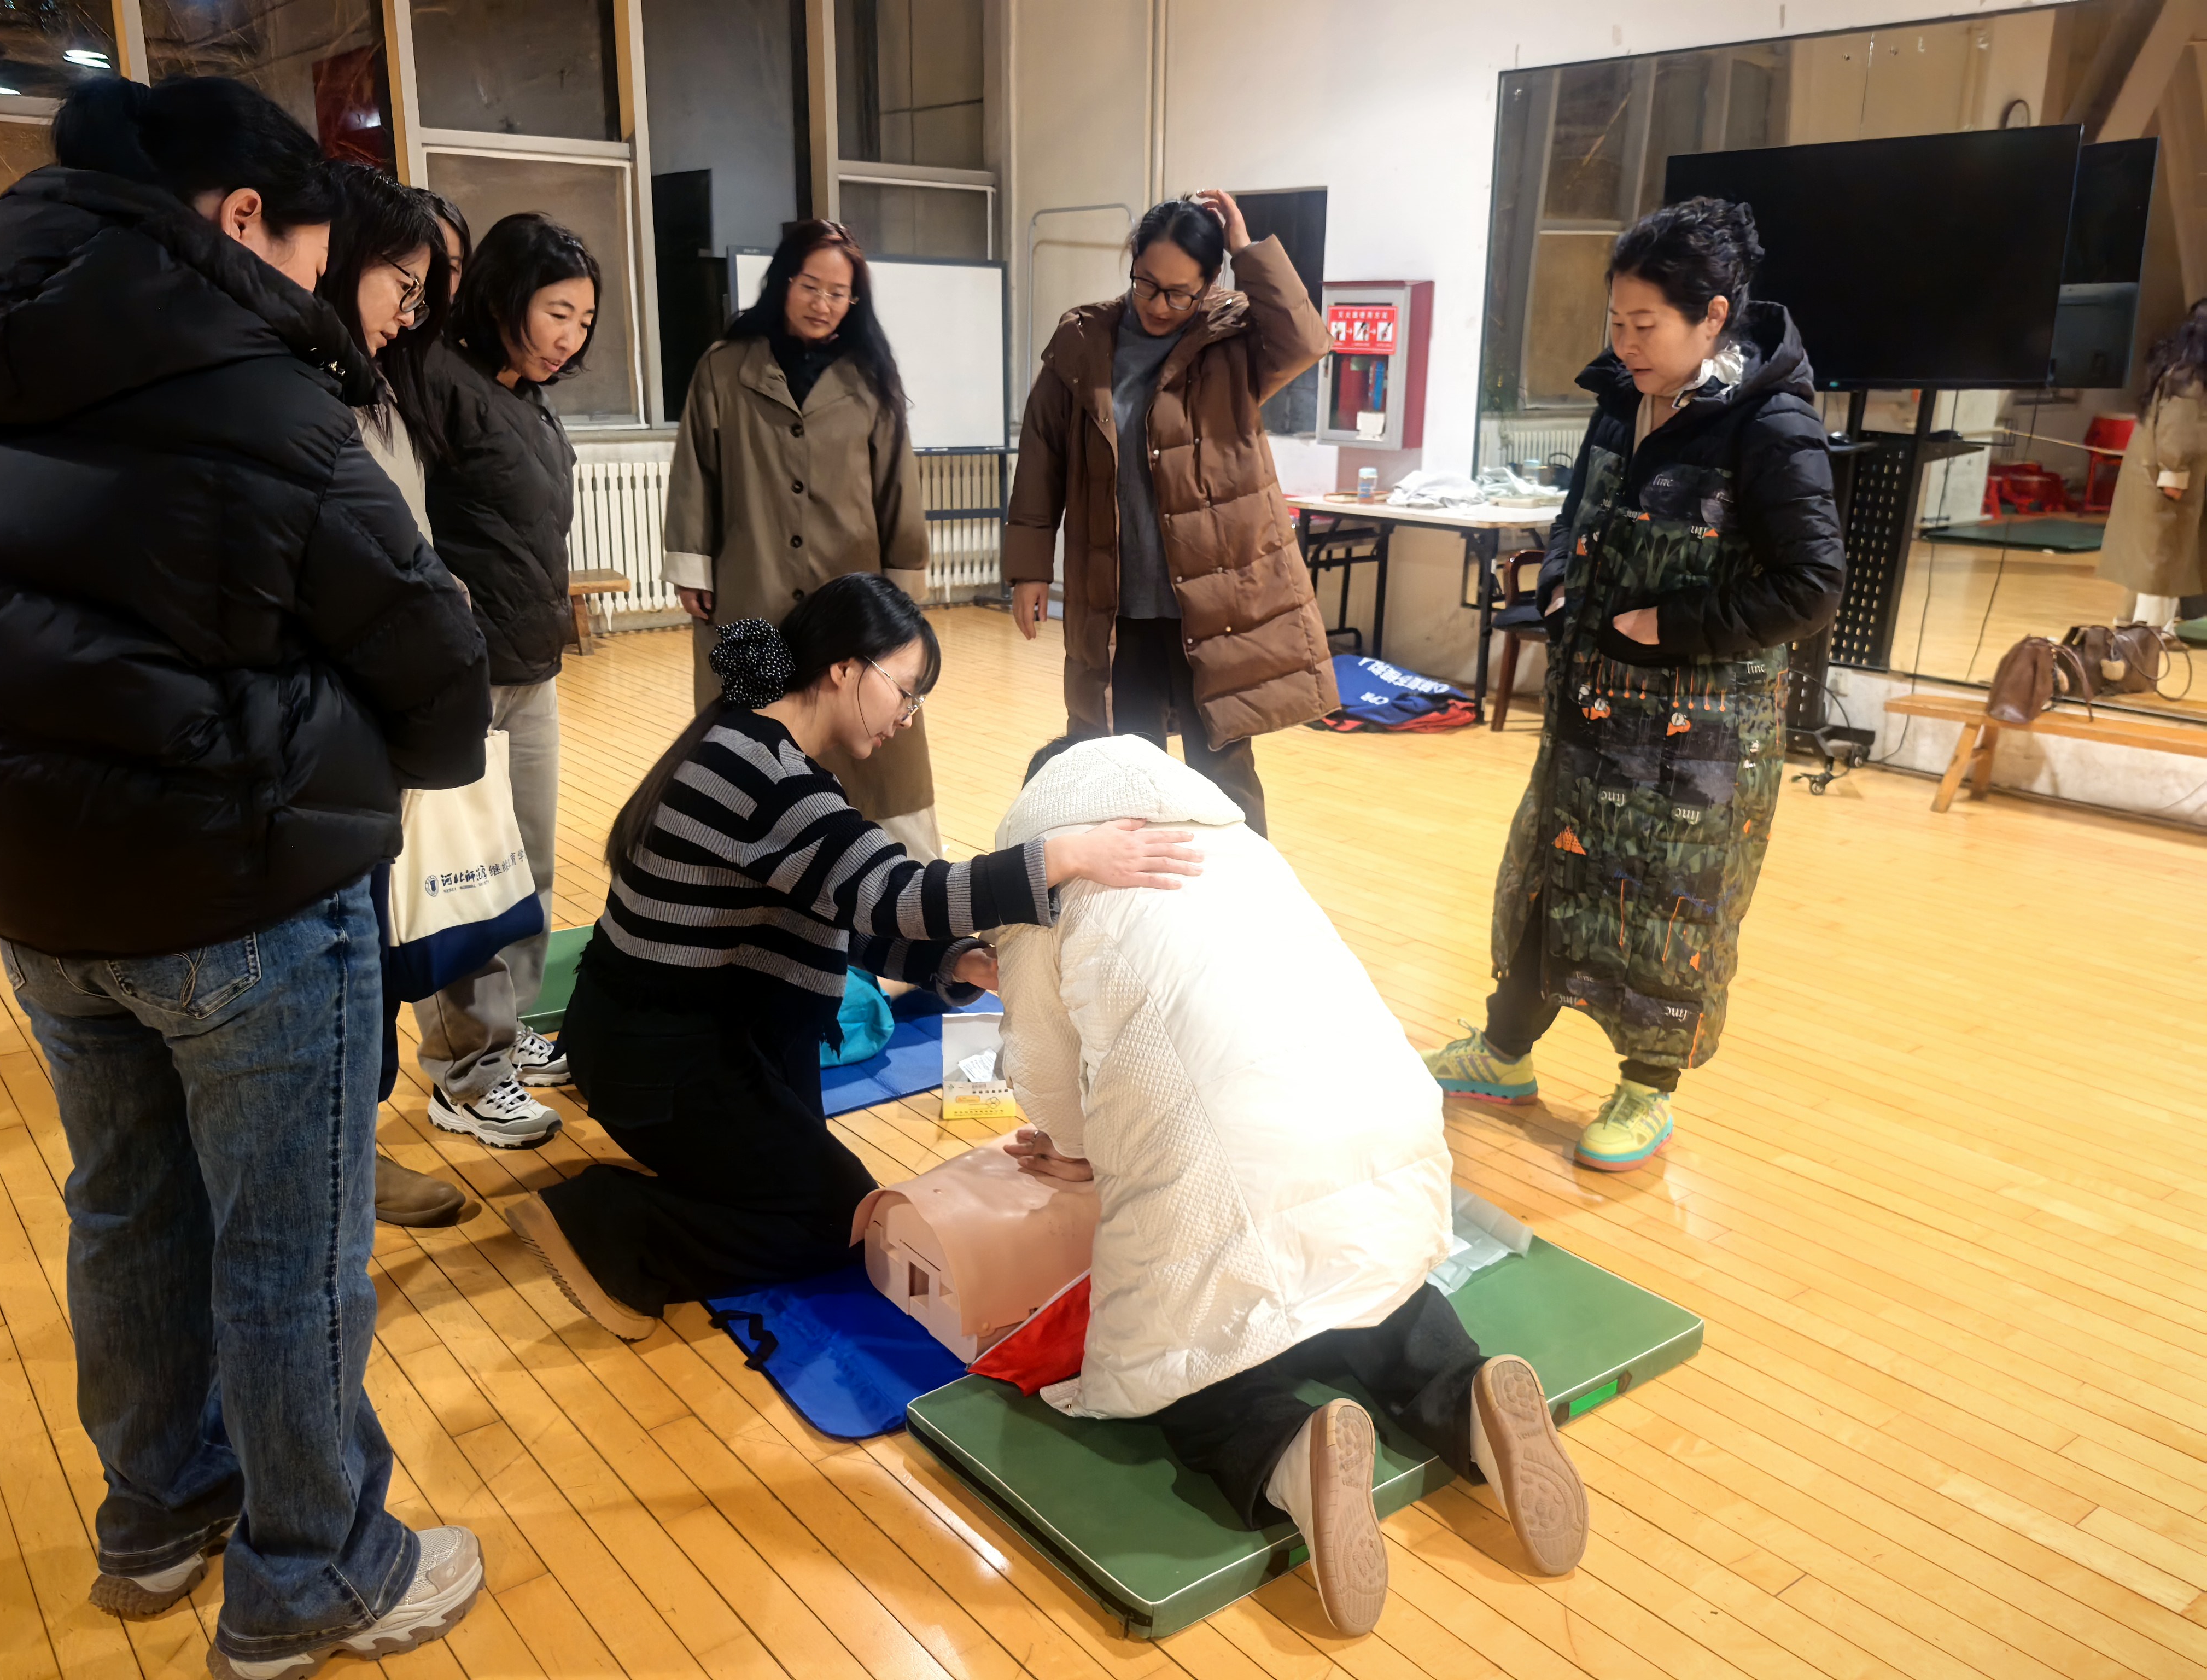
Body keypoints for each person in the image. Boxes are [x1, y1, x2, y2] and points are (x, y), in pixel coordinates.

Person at [0, 75, 490, 1675]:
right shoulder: (248, 385)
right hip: (243, 887)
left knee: (127, 1204)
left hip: (36, 883)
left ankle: (157, 1508)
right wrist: (369, 742)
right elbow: (432, 650)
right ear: (245, 216)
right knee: (286, 1242)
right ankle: (313, 1569)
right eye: (319, 260)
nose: (320, 295)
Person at [990, 734, 1589, 1638]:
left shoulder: (1044, 871)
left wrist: (1076, 1148)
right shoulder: (1231, 836)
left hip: (1229, 1157)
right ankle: (1469, 1396)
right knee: (1370, 1285)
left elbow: (1041, 1062)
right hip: (1388, 1112)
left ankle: (1289, 1451)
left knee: (1190, 1368)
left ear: (1042, 803)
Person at [501, 575, 1204, 1340]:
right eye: (905, 690)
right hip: (664, 1057)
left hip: (671, 1038)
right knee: (833, 1222)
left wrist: (953, 965)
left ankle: (697, 1175)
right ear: (844, 668)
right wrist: (1064, 856)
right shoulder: (767, 776)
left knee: (815, 1187)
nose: (907, 715)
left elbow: (833, 906)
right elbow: (894, 893)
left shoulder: (746, 743)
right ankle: (607, 1222)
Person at [1424, 197, 1844, 1171]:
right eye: (1616, 320)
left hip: (1699, 740)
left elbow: (1813, 584)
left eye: (1645, 324)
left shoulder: (1771, 423)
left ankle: (1648, 1089)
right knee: (1545, 879)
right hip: (1593, 708)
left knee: (1670, 906)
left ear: (1714, 315)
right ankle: (1503, 1051)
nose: (1625, 343)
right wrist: (1558, 576)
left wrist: (1678, 625)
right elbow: (1582, 509)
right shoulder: (1622, 397)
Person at [1003, 191, 1338, 836]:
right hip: (1118, 607)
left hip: (1213, 608)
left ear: (1209, 284)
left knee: (1225, 774)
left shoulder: (1232, 337)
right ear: (1132, 263)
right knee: (1127, 772)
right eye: (1146, 285)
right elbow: (1042, 454)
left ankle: (1243, 890)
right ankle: (1138, 893)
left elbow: (1304, 340)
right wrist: (1029, 569)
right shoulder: (1082, 340)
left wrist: (1245, 248)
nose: (1158, 306)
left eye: (1179, 293)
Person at [663, 218, 943, 860]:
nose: (822, 303)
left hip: (852, 600)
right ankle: (741, 867)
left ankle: (900, 878)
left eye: (837, 292)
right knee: (751, 738)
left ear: (854, 301)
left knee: (874, 744)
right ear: (784, 282)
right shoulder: (724, 368)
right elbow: (695, 472)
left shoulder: (871, 379)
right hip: (751, 589)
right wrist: (692, 565)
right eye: (810, 286)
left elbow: (898, 492)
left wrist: (903, 596)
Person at [412, 212, 600, 1150]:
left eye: (584, 320)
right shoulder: (437, 381)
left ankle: (509, 1029)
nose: (571, 335)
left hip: (532, 666)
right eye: (557, 311)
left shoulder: (528, 396)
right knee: (467, 884)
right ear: (502, 297)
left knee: (527, 867)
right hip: (466, 676)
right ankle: (465, 1073)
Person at [316, 160, 473, 1229]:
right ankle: (346, 1165)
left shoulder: (372, 383)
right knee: (346, 957)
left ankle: (356, 1150)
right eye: (404, 285)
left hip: (373, 725)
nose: (410, 314)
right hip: (335, 732)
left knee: (367, 944)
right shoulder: (300, 393)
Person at [2099, 299, 2207, 626]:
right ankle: (2148, 638)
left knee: (2151, 563)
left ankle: (2130, 626)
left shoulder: (2178, 368)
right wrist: (2174, 476)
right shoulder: (2191, 379)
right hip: (2168, 483)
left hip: (2153, 478)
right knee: (2162, 564)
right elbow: (2177, 434)